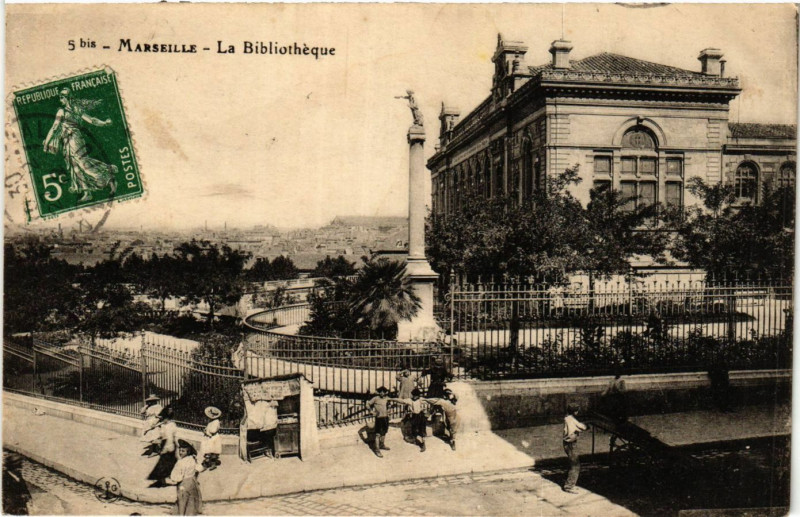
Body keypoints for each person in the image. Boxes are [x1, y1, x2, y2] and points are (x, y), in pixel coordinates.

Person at [42, 87, 117, 202]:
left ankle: (107, 174)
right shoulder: (76, 109)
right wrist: (104, 123)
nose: (60, 99)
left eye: (62, 97)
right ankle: (87, 193)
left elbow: (54, 127)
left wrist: (46, 142)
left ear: (68, 98)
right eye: (60, 97)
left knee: (83, 163)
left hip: (74, 139)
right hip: (68, 141)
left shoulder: (62, 111)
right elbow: (92, 120)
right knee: (75, 167)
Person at [165, 440, 202, 515]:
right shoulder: (193, 459)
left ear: (188, 452)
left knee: (181, 503)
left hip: (183, 484)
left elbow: (177, 477)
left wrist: (172, 478)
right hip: (192, 483)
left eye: (183, 451)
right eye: (180, 450)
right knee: (191, 503)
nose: (180, 452)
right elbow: (198, 469)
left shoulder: (180, 462)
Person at [147, 406, 179, 487]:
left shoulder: (169, 426)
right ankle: (162, 480)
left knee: (166, 464)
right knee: (165, 464)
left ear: (166, 418)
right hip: (167, 445)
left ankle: (166, 479)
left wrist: (166, 448)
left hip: (169, 446)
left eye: (163, 418)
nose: (162, 420)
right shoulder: (169, 425)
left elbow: (169, 438)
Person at [562, 403, 588, 494]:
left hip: (568, 444)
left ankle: (569, 483)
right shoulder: (571, 420)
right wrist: (584, 427)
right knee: (575, 466)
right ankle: (569, 486)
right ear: (575, 411)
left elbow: (577, 425)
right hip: (570, 444)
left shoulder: (568, 418)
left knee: (573, 464)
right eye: (577, 410)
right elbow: (580, 427)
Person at [601, 372, 628, 450]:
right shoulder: (612, 380)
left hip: (619, 400)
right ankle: (613, 431)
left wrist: (617, 390)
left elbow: (623, 391)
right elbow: (607, 389)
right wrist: (603, 394)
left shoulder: (621, 381)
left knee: (619, 416)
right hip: (612, 400)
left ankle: (619, 430)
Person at [366, 386, 392, 458]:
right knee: (378, 435)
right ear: (379, 392)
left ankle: (382, 445)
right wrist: (372, 411)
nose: (382, 393)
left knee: (384, 432)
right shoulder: (375, 398)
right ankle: (377, 450)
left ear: (385, 392)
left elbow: (389, 406)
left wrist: (389, 410)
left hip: (385, 418)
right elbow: (367, 404)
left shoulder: (387, 398)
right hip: (379, 419)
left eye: (384, 392)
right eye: (381, 392)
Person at [198, 406, 222, 471]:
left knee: (212, 451)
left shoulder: (216, 422)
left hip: (213, 438)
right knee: (208, 450)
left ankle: (210, 463)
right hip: (210, 438)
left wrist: (207, 432)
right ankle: (208, 462)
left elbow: (213, 431)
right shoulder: (212, 421)